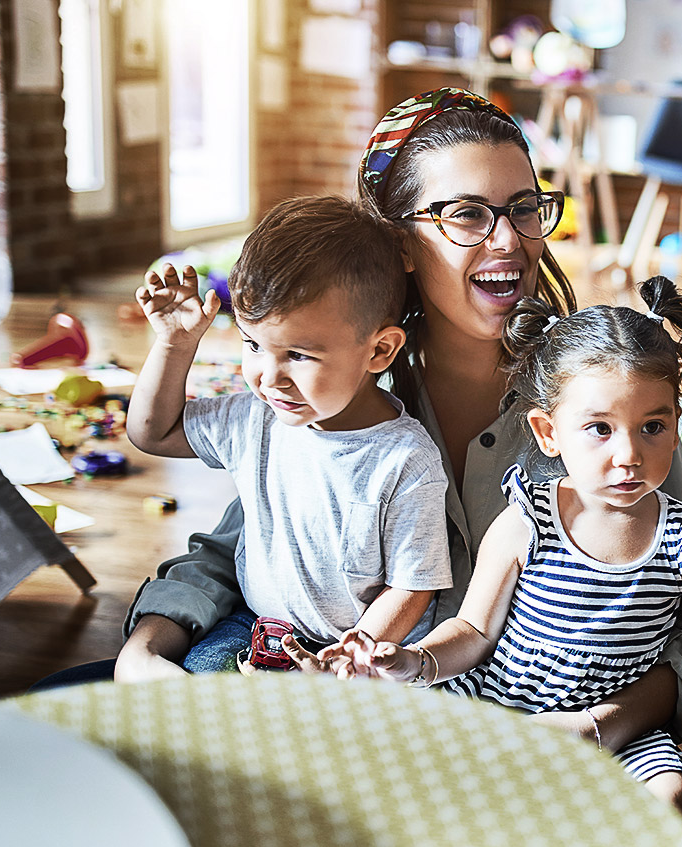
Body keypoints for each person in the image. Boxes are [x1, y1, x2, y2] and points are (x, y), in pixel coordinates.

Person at [47, 88, 682, 754]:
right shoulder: (335, 387)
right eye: (466, 214)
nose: (509, 239)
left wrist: (601, 725)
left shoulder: (605, 401)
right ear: (399, 242)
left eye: (523, 208)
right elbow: (240, 548)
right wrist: (143, 650)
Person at [326, 277, 682, 830]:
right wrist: (417, 661)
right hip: (498, 705)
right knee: (394, 769)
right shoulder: (528, 516)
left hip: (616, 729)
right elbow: (474, 630)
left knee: (677, 800)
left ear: (677, 428)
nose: (629, 454)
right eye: (599, 429)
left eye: (652, 426)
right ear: (548, 433)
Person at [128, 195, 452, 670]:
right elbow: (152, 433)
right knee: (198, 692)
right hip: (261, 629)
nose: (268, 377)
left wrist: (353, 653)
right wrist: (175, 344)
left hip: (364, 651)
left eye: (297, 355)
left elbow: (413, 584)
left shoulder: (404, 459)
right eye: (253, 344)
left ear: (380, 351)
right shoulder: (256, 419)